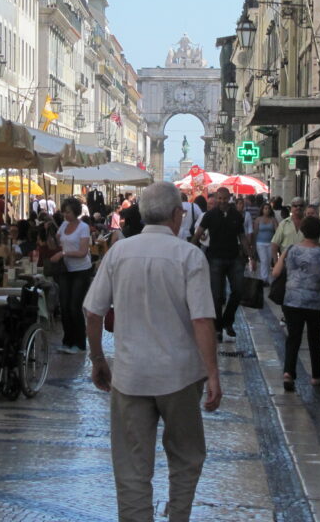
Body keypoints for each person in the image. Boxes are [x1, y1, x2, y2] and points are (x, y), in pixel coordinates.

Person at [83, 181, 221, 522]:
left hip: (130, 375)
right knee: (186, 457)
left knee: (131, 467)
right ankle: (179, 517)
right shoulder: (189, 256)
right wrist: (214, 374)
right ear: (177, 215)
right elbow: (202, 319)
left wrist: (98, 358)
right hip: (181, 376)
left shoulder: (118, 252)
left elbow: (92, 311)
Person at [273, 216, 320, 390]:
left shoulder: (290, 249)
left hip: (291, 300)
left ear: (302, 231)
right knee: (315, 338)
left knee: (293, 337)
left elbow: (276, 273)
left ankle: (288, 373)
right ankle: (316, 376)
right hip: (314, 301)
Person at [193, 186, 255, 342]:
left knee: (239, 290)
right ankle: (218, 327)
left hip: (234, 257)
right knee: (216, 295)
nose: (222, 201)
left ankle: (227, 320)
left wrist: (250, 254)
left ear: (229, 198)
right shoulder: (209, 215)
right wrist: (191, 251)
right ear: (216, 198)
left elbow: (242, 236)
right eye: (219, 198)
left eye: (224, 198)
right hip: (215, 258)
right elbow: (198, 234)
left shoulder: (236, 215)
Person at [51, 198, 93, 354]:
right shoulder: (63, 225)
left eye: (68, 212)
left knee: (74, 306)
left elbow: (82, 252)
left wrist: (63, 253)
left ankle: (80, 343)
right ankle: (67, 341)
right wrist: (50, 234)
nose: (65, 215)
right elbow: (57, 241)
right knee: (64, 306)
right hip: (65, 270)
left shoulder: (84, 227)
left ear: (75, 211)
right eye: (64, 212)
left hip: (81, 270)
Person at [270, 196, 307, 264]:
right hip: (287, 263)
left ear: (304, 208)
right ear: (291, 208)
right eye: (295, 206)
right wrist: (276, 263)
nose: (298, 207)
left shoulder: (309, 223)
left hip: (305, 263)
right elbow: (274, 244)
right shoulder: (283, 224)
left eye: (301, 205)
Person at [252, 203, 278, 280]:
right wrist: (253, 245)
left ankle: (265, 277)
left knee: (269, 261)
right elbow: (255, 232)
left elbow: (277, 232)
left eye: (268, 208)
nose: (267, 210)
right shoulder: (258, 219)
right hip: (260, 243)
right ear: (262, 210)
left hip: (271, 243)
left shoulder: (273, 219)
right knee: (264, 260)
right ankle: (264, 279)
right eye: (265, 208)